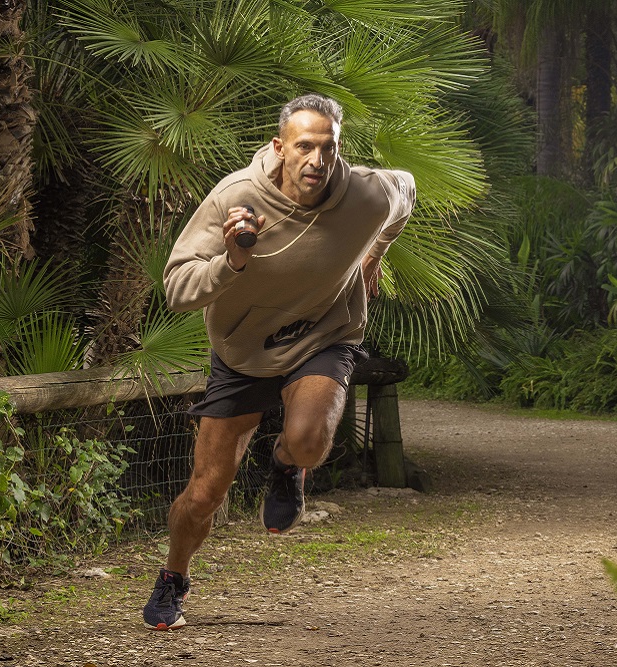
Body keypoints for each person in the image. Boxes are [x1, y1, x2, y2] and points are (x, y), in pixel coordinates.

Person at [143, 93, 416, 630]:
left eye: (328, 147)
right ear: (280, 148)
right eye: (305, 147)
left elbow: (405, 192)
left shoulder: (367, 193)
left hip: (325, 334)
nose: (317, 160)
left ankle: (288, 464)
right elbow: (176, 289)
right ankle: (174, 575)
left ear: (340, 149)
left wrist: (374, 255)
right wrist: (234, 258)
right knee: (205, 494)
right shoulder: (236, 196)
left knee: (311, 439)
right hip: (242, 352)